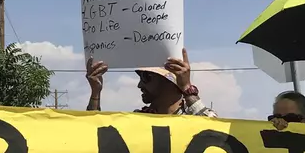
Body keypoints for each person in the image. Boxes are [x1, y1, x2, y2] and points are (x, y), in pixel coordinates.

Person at [85, 49, 217, 117]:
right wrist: (95, 93)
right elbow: (96, 138)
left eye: (146, 77)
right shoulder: (138, 121)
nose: (140, 85)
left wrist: (187, 88)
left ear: (170, 80)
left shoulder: (192, 119)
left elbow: (215, 134)